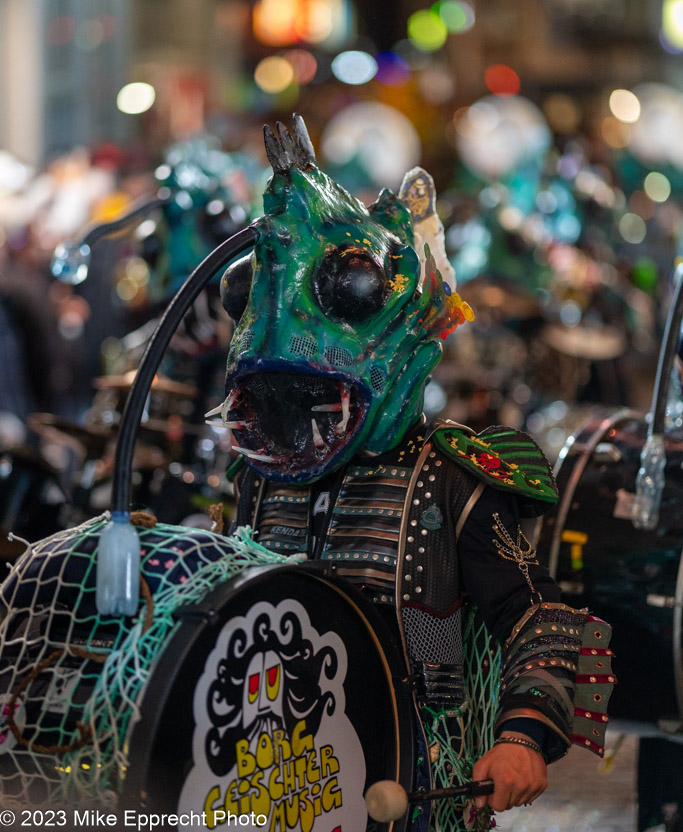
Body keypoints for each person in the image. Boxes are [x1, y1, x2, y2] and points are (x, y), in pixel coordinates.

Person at [219, 115, 615, 831]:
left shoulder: (447, 475)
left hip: (412, 784)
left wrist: (521, 733)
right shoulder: (258, 477)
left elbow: (537, 617)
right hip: (271, 785)